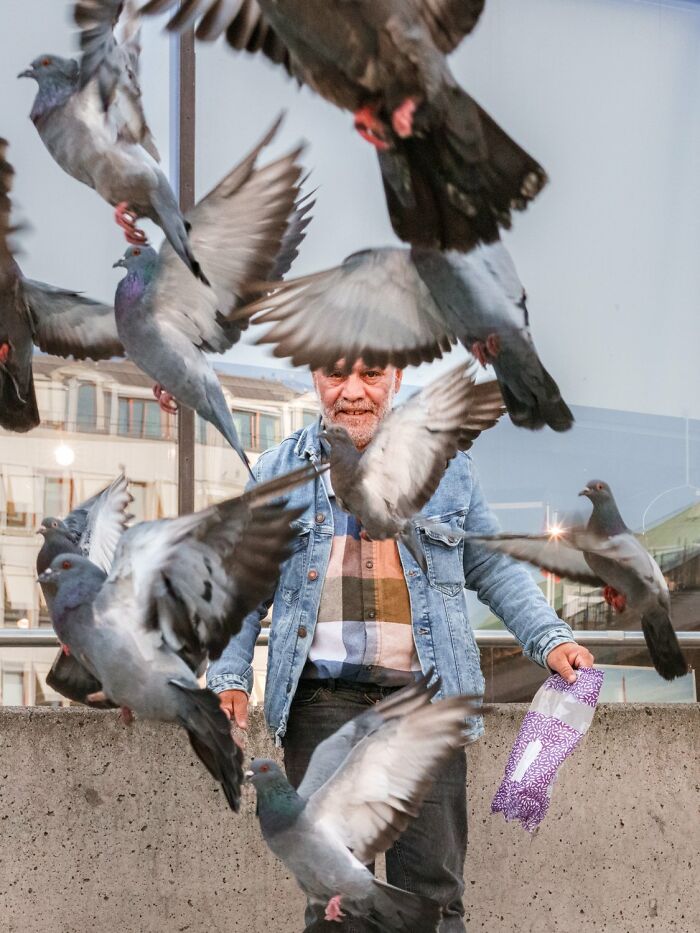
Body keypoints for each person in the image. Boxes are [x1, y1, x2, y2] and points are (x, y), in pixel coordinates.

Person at [208, 360, 594, 932]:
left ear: (393, 377)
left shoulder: (449, 468)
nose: (353, 392)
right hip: (323, 705)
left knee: (435, 893)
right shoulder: (276, 471)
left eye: (369, 374)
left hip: (424, 707)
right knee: (337, 903)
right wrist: (230, 677)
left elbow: (489, 564)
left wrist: (549, 638)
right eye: (336, 376)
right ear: (315, 378)